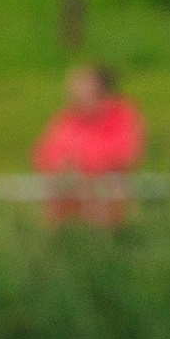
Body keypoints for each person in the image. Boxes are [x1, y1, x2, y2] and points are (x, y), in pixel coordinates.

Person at [32, 61, 145, 224]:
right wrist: (62, 165)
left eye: (81, 85)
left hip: (107, 203)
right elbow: (45, 152)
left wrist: (82, 163)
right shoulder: (68, 119)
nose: (73, 91)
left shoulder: (122, 116)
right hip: (66, 205)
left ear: (99, 89)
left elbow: (124, 153)